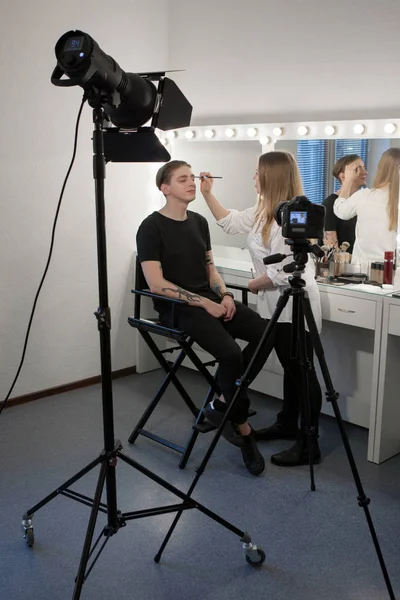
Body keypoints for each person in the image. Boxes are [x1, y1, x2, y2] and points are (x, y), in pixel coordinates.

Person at [136, 160, 274, 477]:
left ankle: (223, 403)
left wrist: (224, 296)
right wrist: (202, 304)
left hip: (210, 299)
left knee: (267, 332)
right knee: (229, 353)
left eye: (192, 177)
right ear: (164, 188)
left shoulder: (199, 222)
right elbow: (157, 284)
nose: (191, 183)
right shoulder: (150, 227)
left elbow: (211, 271)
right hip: (177, 308)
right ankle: (243, 428)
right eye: (182, 179)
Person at [200, 151, 323, 467]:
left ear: (271, 176)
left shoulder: (291, 215)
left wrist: (255, 284)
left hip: (294, 304)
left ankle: (309, 444)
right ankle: (286, 424)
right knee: (289, 367)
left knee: (301, 372)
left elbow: (291, 265)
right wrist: (208, 194)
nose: (253, 177)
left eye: (257, 173)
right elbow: (230, 222)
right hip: (273, 305)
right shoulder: (262, 209)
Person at [334, 148, 399, 267]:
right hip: (391, 270)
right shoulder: (365, 197)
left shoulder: (364, 196)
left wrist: (347, 181)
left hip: (361, 270)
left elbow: (340, 210)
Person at [323, 154, 367, 253]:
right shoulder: (329, 205)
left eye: (364, 168)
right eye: (357, 169)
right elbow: (331, 249)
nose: (365, 172)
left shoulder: (361, 201)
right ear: (343, 176)